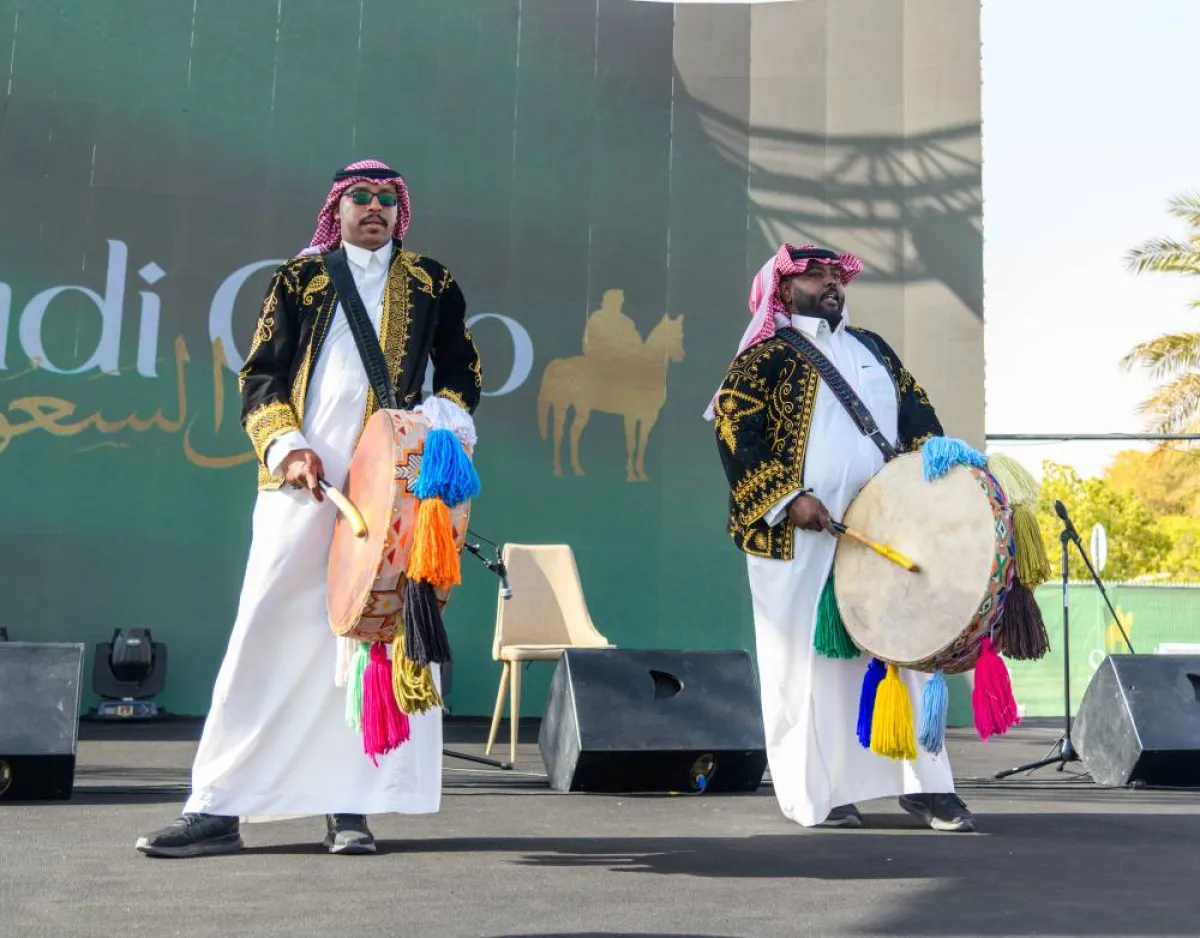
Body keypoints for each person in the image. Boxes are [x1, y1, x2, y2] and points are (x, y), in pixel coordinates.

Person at [136, 158, 482, 858]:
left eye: (387, 198)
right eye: (361, 196)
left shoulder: (432, 282)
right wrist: (287, 448)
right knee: (264, 630)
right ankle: (218, 805)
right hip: (305, 483)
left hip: (391, 485)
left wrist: (436, 423)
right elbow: (261, 375)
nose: (374, 207)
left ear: (400, 209)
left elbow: (462, 370)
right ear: (339, 205)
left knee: (364, 641)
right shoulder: (299, 279)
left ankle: (348, 806)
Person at [706, 243, 976, 833]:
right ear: (784, 288)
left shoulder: (872, 349)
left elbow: (919, 417)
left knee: (909, 653)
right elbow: (735, 431)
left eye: (836, 275)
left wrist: (939, 480)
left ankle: (926, 786)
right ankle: (818, 793)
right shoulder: (763, 359)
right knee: (810, 663)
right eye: (815, 276)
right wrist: (787, 497)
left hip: (885, 532)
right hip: (799, 537)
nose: (830, 284)